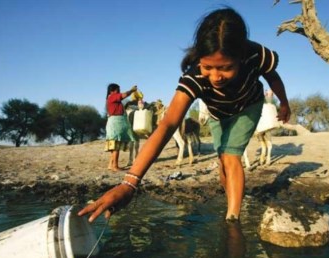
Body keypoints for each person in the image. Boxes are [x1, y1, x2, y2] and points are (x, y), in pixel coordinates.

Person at [79, 7, 291, 222]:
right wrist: (129, 184)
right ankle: (231, 200)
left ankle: (233, 220)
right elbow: (168, 124)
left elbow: (272, 76)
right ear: (200, 58)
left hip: (248, 106)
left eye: (225, 68)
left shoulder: (255, 53)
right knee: (222, 160)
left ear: (240, 56)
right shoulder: (193, 77)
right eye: (208, 67)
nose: (216, 77)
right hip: (217, 114)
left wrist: (284, 103)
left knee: (230, 155)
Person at [104, 83, 137, 171]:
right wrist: (132, 90)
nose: (119, 92)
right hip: (116, 124)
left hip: (114, 123)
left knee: (114, 145)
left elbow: (119, 107)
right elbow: (124, 95)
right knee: (116, 145)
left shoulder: (111, 99)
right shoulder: (112, 96)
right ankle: (115, 166)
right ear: (112, 91)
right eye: (118, 90)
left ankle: (111, 165)